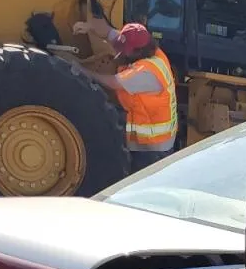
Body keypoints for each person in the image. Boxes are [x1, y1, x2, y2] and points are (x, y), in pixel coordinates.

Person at [71, 19, 178, 171]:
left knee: (142, 185)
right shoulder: (139, 47)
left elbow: (113, 82)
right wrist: (88, 26)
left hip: (154, 147)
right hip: (143, 137)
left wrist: (83, 71)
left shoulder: (147, 72)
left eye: (124, 50)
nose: (119, 52)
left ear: (138, 51)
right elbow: (108, 31)